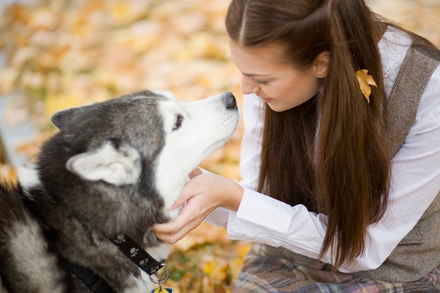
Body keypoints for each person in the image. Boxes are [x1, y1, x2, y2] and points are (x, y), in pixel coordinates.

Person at [153, 0, 440, 291]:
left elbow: (365, 249)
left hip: (394, 268)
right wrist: (191, 185)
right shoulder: (268, 84)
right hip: (294, 252)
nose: (246, 89)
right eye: (242, 70)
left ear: (321, 64)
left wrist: (233, 198)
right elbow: (264, 198)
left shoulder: (430, 95)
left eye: (261, 79)